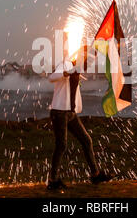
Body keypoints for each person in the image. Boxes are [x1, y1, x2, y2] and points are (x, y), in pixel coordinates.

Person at [47, 34, 113, 190]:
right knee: (61, 145)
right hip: (59, 112)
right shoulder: (65, 65)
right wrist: (65, 73)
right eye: (84, 57)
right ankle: (52, 181)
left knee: (86, 140)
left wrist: (97, 47)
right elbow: (51, 77)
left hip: (71, 114)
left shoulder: (78, 68)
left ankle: (95, 175)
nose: (86, 61)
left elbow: (89, 59)